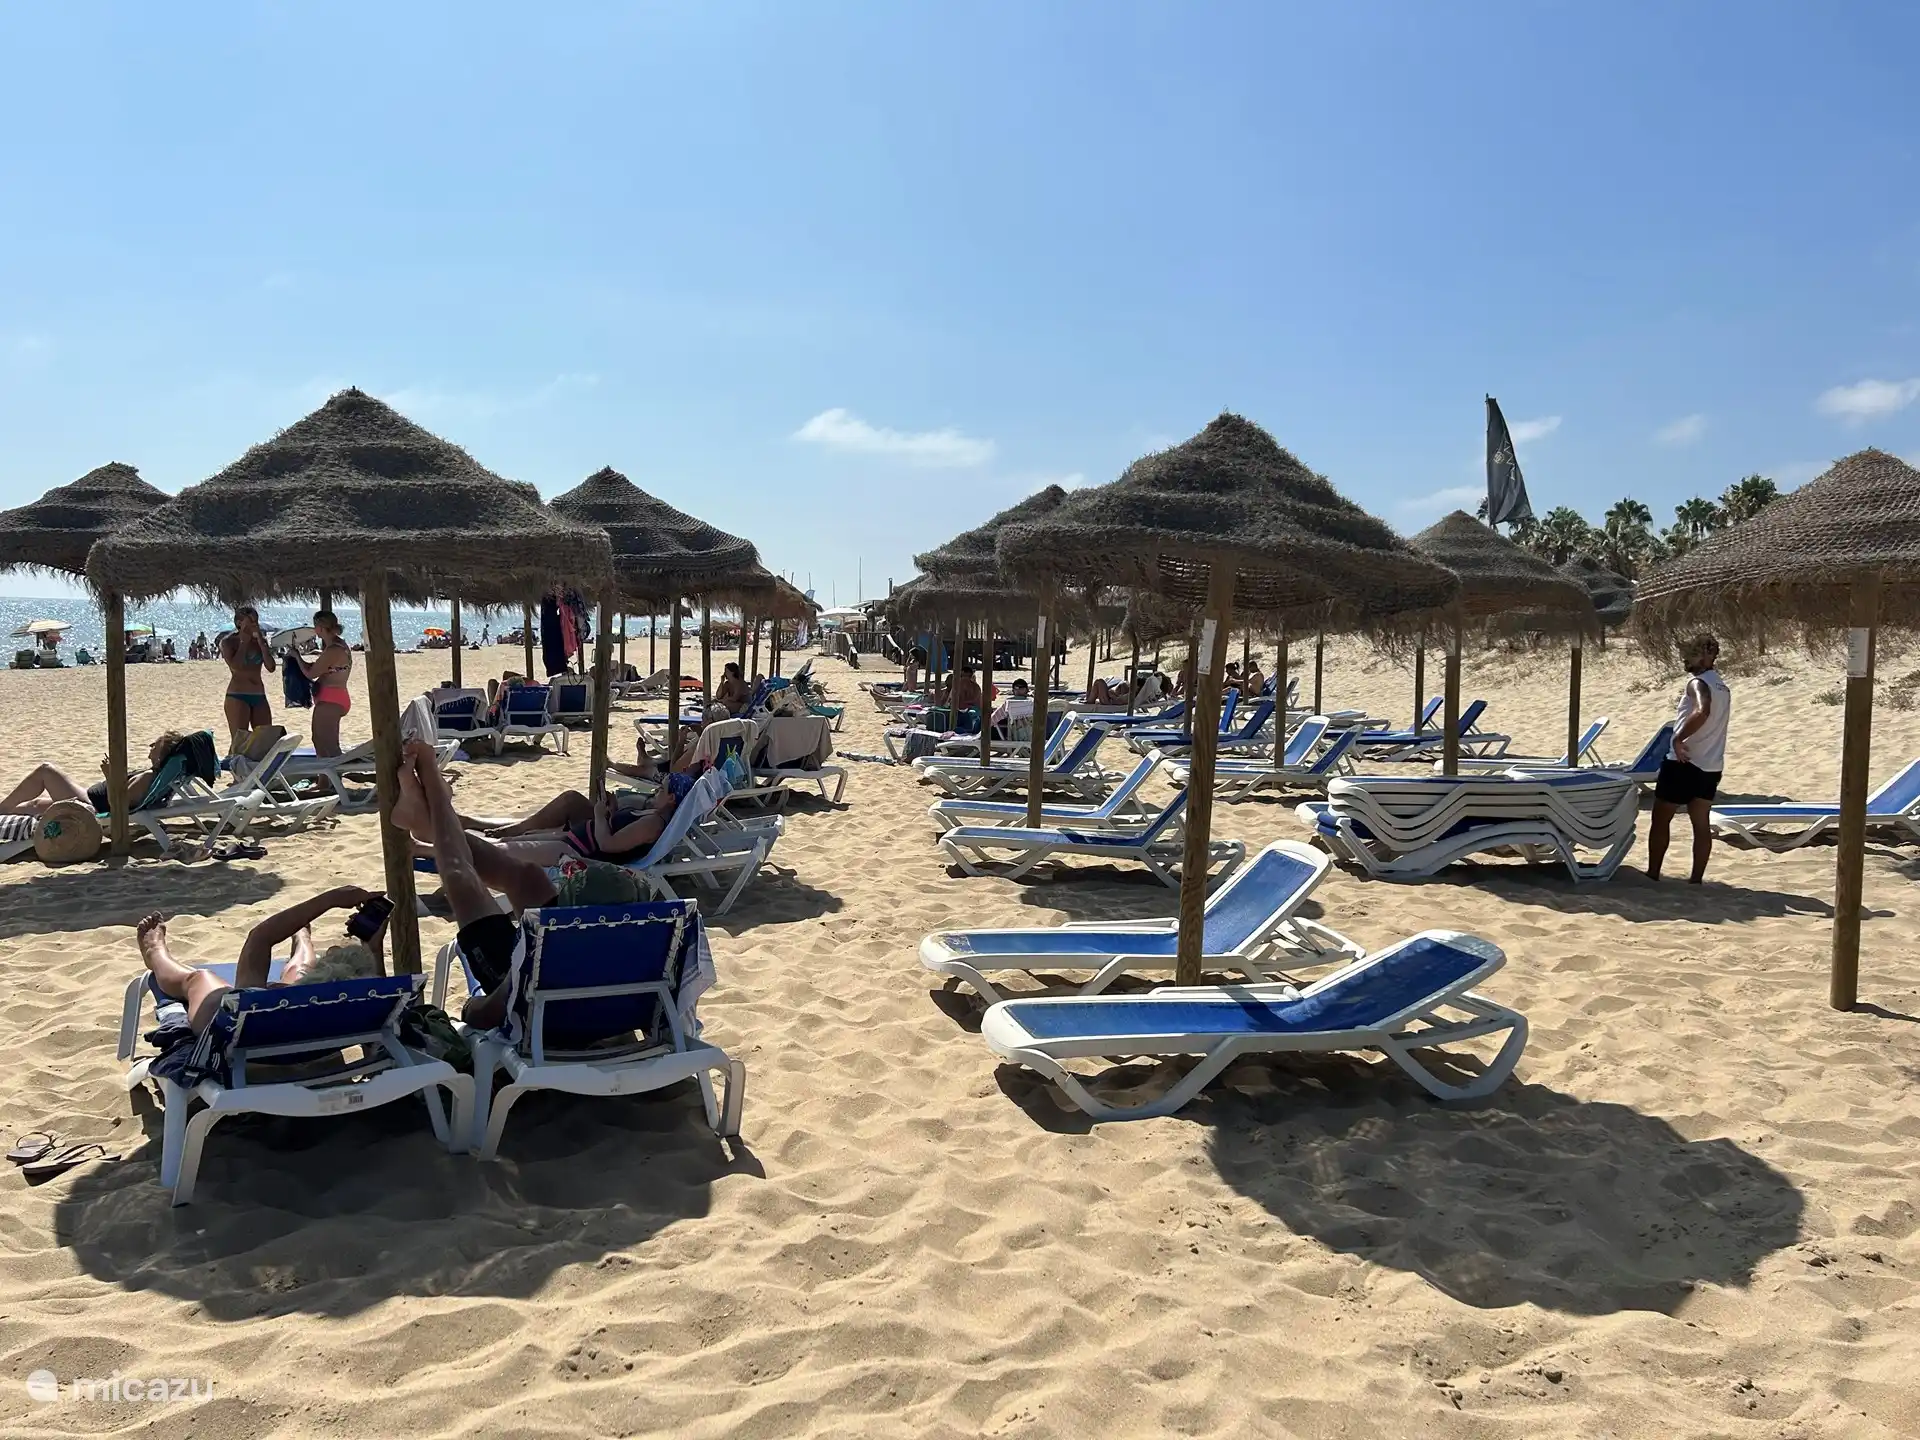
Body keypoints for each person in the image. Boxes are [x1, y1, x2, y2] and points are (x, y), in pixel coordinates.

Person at [136, 887, 389, 1036]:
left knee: (199, 978)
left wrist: (329, 900)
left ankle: (155, 952)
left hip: (251, 1046)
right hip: (316, 1045)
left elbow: (260, 937)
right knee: (299, 974)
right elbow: (379, 989)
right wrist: (373, 947)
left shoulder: (253, 1003)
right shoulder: (372, 1006)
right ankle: (302, 939)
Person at [1648, 633, 1732, 884]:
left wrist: (1678, 738)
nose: (1686, 659)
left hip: (1683, 762)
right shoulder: (1723, 687)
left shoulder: (1698, 683)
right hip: (1711, 764)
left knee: (1661, 818)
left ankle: (1653, 873)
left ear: (1706, 656)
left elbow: (1702, 711)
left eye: (1691, 653)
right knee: (1700, 824)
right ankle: (1696, 879)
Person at [0, 732, 183, 817]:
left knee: (46, 771)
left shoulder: (148, 777)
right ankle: (4, 814)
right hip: (90, 798)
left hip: (92, 807)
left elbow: (118, 806)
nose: (150, 746)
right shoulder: (153, 776)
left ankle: (2, 808)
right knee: (36, 805)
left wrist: (110, 776)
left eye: (155, 745)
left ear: (162, 755)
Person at [297, 609, 354, 757]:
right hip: (334, 697)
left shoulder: (334, 649)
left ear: (320, 628)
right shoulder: (337, 645)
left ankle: (334, 778)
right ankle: (324, 780)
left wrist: (296, 657)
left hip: (331, 699)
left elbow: (311, 674)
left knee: (328, 744)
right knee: (320, 741)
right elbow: (318, 668)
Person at [218, 606, 276, 749]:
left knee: (264, 740)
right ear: (239, 623)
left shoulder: (259, 642)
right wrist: (244, 642)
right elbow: (236, 667)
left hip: (259, 694)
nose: (254, 625)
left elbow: (271, 667)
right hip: (238, 695)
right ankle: (239, 770)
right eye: (249, 621)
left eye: (256, 621)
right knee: (240, 740)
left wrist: (262, 644)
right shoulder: (228, 642)